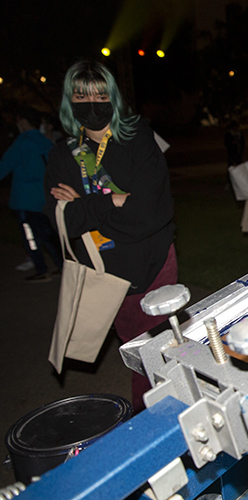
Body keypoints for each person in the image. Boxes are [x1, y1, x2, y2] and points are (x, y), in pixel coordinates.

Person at [44, 60, 177, 413]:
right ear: (69, 102)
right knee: (137, 352)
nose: (93, 104)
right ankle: (151, 425)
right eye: (82, 96)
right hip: (109, 272)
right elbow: (64, 222)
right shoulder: (61, 156)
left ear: (113, 98)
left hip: (153, 262)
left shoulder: (138, 139)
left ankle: (153, 421)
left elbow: (148, 214)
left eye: (101, 95)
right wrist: (112, 202)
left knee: (159, 353)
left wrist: (87, 207)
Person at [0, 106, 63, 281]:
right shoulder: (45, 142)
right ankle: (61, 266)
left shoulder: (22, 143)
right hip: (45, 197)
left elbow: (4, 167)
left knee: (31, 237)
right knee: (49, 234)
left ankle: (42, 270)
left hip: (25, 199)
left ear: (23, 121)